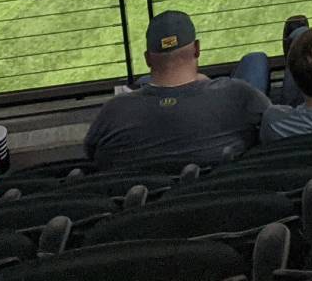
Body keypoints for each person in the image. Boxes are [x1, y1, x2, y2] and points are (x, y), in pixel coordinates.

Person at [82, 11, 267, 172]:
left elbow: (91, 152)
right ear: (197, 49)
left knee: (143, 83)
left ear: (148, 59)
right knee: (255, 59)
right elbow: (273, 121)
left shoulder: (114, 111)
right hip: (219, 200)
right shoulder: (235, 94)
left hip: (144, 207)